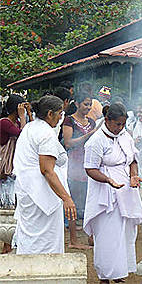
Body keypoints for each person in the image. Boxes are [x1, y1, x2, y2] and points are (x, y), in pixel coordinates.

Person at [83, 103, 142, 283]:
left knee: (126, 232)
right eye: (117, 124)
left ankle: (119, 273)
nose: (120, 128)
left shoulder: (125, 136)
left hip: (125, 190)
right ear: (108, 120)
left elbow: (133, 159)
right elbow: (90, 168)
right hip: (105, 192)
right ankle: (105, 276)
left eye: (123, 124)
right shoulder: (95, 141)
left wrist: (133, 176)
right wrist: (108, 180)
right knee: (108, 235)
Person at [13, 95, 76, 254]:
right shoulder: (45, 134)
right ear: (49, 114)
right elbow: (47, 170)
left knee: (30, 237)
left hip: (27, 191)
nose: (62, 116)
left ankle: (29, 272)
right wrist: (66, 198)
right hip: (41, 197)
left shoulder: (30, 127)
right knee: (45, 242)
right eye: (60, 113)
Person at [63, 92, 98, 249]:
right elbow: (69, 143)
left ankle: (91, 237)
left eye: (90, 104)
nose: (88, 107)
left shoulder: (91, 121)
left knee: (90, 201)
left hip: (89, 165)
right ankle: (73, 240)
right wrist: (89, 135)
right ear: (77, 104)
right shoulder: (69, 120)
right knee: (74, 203)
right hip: (75, 165)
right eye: (85, 104)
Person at [0, 94, 32, 253]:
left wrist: (29, 116)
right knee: (6, 207)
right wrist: (22, 116)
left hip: (13, 170)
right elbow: (24, 135)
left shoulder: (17, 122)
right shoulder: (5, 123)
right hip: (5, 170)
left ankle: (8, 245)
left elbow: (32, 131)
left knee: (12, 208)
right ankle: (6, 244)